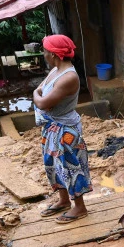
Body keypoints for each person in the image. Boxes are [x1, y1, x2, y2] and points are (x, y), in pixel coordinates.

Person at [33, 34, 91, 224]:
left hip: (65, 130)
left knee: (70, 166)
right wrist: (40, 95)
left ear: (53, 54)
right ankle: (64, 200)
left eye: (45, 51)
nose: (44, 55)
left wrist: (35, 94)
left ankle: (80, 207)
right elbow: (43, 93)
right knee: (53, 164)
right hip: (52, 127)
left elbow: (41, 100)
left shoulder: (69, 77)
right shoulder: (56, 71)